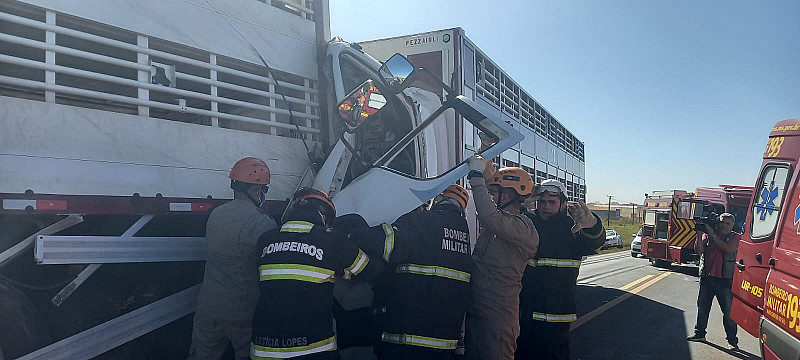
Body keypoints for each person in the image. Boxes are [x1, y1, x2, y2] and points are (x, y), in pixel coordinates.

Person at [250, 188, 383, 360]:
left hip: (264, 349)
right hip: (312, 349)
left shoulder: (265, 240)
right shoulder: (332, 240)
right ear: (324, 215)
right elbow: (366, 269)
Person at [349, 184, 473, 360]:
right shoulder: (463, 232)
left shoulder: (425, 220)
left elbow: (390, 244)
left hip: (410, 336)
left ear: (437, 199)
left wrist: (354, 235)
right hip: (444, 341)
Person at [190, 157, 277, 360]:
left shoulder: (215, 215)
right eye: (263, 190)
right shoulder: (262, 222)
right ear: (257, 191)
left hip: (208, 308)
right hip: (244, 312)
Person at [515, 180, 605, 360]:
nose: (545, 207)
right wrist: (521, 202)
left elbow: (594, 242)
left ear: (563, 204)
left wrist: (592, 223)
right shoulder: (529, 223)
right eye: (542, 202)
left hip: (557, 318)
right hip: (526, 314)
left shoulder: (573, 228)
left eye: (552, 202)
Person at [464, 155, 539, 360]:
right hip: (479, 314)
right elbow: (493, 182)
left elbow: (488, 214)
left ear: (505, 197)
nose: (489, 197)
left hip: (498, 319)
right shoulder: (499, 225)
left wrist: (476, 176)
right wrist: (485, 153)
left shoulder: (523, 229)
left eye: (493, 194)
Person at [687, 213, 741, 350]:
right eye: (722, 222)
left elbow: (728, 248)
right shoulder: (709, 235)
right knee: (703, 308)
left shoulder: (736, 237)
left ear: (732, 225)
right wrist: (699, 235)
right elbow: (699, 251)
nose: (724, 225)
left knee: (728, 313)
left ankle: (732, 342)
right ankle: (699, 334)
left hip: (725, 280)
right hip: (707, 278)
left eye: (727, 223)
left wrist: (713, 235)